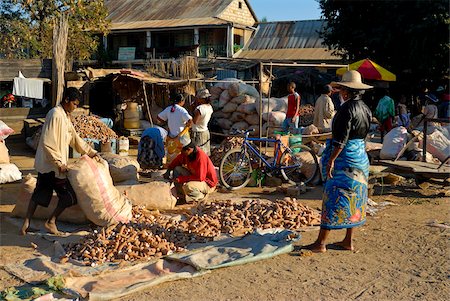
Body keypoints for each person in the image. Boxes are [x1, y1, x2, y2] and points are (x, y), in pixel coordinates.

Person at [306, 70, 373, 253]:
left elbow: (341, 140)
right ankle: (348, 241)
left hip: (344, 160)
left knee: (333, 197)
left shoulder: (346, 109)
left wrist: (331, 161)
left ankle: (320, 243)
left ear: (345, 91)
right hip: (360, 157)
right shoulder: (366, 109)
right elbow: (362, 135)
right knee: (355, 199)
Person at [20, 88, 98, 235]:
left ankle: (26, 224)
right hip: (53, 166)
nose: (75, 108)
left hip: (51, 165)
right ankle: (50, 222)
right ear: (66, 100)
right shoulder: (55, 114)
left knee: (39, 193)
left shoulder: (65, 116)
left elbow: (74, 138)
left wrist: (91, 152)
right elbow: (47, 142)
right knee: (69, 197)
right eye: (74, 104)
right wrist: (58, 164)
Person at [163, 139, 218, 203]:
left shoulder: (200, 157)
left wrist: (181, 179)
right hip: (195, 176)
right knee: (177, 169)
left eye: (183, 151)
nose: (181, 153)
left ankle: (201, 198)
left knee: (188, 187)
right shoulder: (187, 154)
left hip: (207, 182)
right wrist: (168, 170)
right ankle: (181, 197)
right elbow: (177, 161)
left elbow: (200, 177)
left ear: (189, 149)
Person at [157, 93, 192, 164]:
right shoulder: (182, 110)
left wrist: (167, 123)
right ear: (182, 101)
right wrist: (187, 127)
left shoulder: (168, 109)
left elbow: (159, 117)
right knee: (182, 155)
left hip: (171, 136)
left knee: (172, 155)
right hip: (181, 137)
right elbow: (190, 121)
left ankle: (171, 167)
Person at [192, 88, 214, 155]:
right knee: (204, 154)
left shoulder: (200, 109)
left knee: (198, 153)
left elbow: (195, 121)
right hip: (205, 131)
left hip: (198, 133)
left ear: (202, 98)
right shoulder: (210, 107)